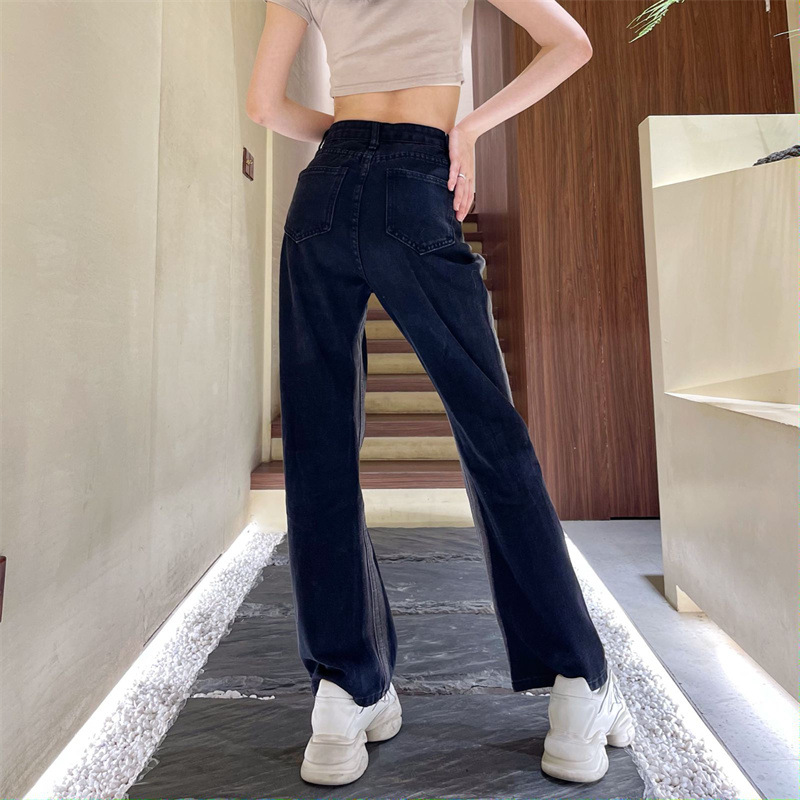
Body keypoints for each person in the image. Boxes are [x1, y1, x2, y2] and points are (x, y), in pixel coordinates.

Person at [246, 0, 633, 787]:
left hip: (324, 196)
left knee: (318, 450)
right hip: (418, 182)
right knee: (493, 436)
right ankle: (577, 685)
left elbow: (263, 106)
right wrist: (470, 128)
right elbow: (570, 44)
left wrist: (349, 140)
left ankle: (344, 696)